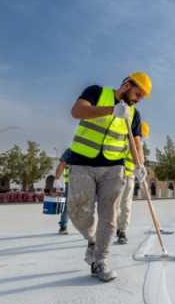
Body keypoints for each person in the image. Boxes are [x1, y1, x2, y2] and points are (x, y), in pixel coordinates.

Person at [67, 72, 150, 282]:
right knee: (78, 210)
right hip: (82, 162)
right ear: (127, 84)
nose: (138, 99)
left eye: (142, 97)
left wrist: (140, 165)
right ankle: (91, 240)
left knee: (110, 217)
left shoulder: (134, 114)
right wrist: (111, 109)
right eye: (137, 93)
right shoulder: (96, 92)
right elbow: (76, 112)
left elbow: (135, 142)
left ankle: (100, 260)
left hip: (113, 167)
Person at [116, 121, 149, 244]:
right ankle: (119, 227)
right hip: (117, 176)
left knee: (126, 205)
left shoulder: (139, 145)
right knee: (115, 205)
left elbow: (140, 160)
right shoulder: (124, 139)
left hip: (129, 176)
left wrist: (141, 169)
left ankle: (122, 231)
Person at [54, 148, 72, 234]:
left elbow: (62, 164)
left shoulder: (70, 150)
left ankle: (63, 226)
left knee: (67, 205)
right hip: (85, 182)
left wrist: (57, 179)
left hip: (72, 182)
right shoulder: (92, 150)